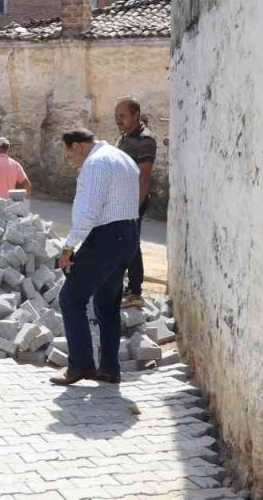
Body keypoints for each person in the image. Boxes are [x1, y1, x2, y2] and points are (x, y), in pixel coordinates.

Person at [50, 129, 140, 387]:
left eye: (69, 155)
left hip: (105, 237)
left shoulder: (96, 163)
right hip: (128, 235)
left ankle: (80, 365)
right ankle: (110, 369)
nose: (71, 161)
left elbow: (90, 211)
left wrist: (68, 247)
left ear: (78, 146)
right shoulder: (121, 157)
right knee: (106, 304)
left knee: (71, 298)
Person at [114, 98, 158, 310]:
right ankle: (124, 287)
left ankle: (135, 292)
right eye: (116, 116)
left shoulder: (145, 140)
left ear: (136, 115)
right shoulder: (125, 137)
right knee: (121, 242)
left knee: (131, 244)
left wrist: (134, 208)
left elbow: (144, 177)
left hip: (133, 201)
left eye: (122, 115)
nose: (118, 120)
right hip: (121, 200)